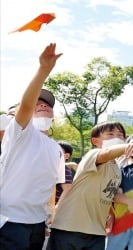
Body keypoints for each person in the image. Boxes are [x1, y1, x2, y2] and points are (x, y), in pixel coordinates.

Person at [0, 43, 65, 250]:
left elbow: (51, 186)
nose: (43, 104)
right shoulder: (20, 132)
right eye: (38, 103)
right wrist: (43, 70)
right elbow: (26, 106)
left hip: (37, 224)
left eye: (47, 104)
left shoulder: (56, 149)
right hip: (10, 221)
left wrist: (49, 215)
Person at [48, 121, 133, 249]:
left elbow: (112, 192)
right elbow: (107, 153)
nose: (117, 138)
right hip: (69, 228)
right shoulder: (93, 155)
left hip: (96, 231)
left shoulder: (117, 168)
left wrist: (128, 202)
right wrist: (127, 147)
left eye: (121, 135)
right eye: (110, 134)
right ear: (95, 141)